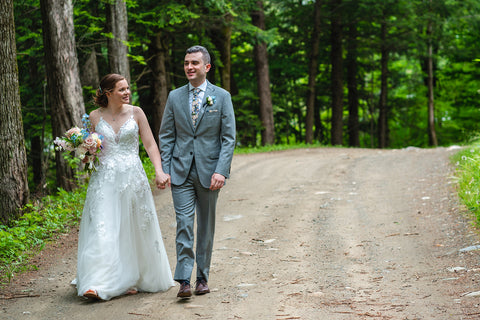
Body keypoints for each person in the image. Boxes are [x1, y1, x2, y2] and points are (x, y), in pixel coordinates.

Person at [72, 73, 174, 301]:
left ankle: (130, 277)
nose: (127, 92)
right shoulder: (94, 116)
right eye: (122, 89)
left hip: (132, 177)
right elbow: (90, 150)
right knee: (103, 227)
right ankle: (96, 283)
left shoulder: (136, 113)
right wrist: (85, 152)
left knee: (132, 227)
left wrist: (159, 171)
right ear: (108, 93)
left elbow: (149, 144)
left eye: (128, 88)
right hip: (105, 180)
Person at [159, 45, 236, 298]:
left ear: (207, 67)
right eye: (186, 63)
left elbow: (228, 138)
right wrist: (165, 168)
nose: (189, 67)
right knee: (184, 224)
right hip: (181, 171)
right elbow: (167, 135)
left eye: (194, 63)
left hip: (209, 173)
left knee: (205, 226)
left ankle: (202, 277)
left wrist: (221, 171)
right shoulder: (174, 96)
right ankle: (184, 280)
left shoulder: (221, 97)